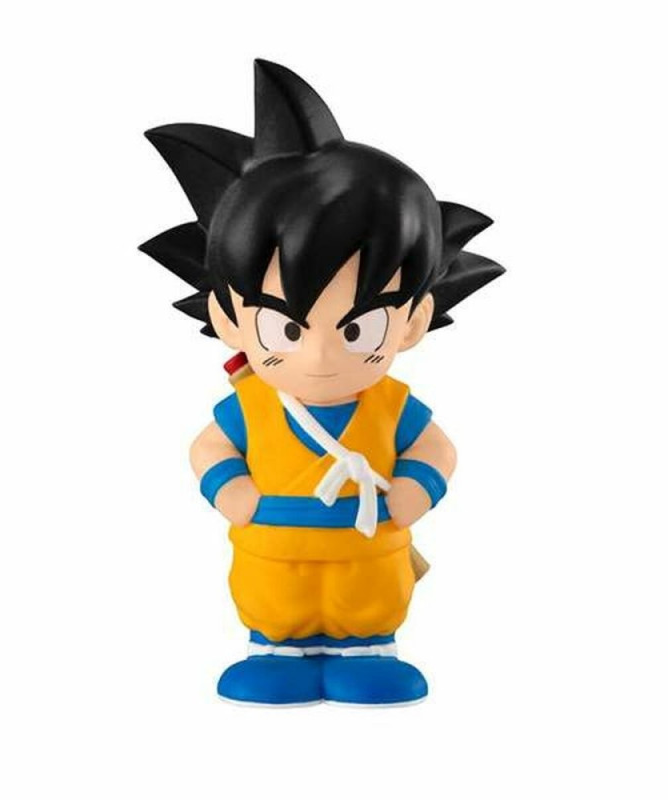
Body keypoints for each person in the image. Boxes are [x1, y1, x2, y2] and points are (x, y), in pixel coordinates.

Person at [140, 59, 504, 706]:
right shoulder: (251, 405)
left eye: (358, 327)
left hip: (368, 560)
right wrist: (233, 491)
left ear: (414, 320)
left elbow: (436, 449)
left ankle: (366, 653)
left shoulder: (393, 405)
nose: (320, 354)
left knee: (366, 608)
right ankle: (276, 653)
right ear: (228, 317)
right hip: (273, 557)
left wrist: (415, 490)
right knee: (275, 607)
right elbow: (208, 448)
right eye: (286, 327)